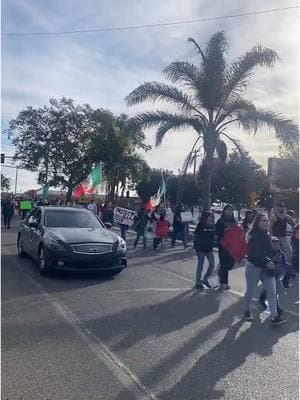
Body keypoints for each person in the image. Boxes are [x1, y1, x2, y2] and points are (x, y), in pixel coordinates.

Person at [243, 213, 287, 325]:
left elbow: (270, 253)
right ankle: (247, 311)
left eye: (267, 221)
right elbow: (253, 253)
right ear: (257, 223)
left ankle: (274, 316)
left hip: (267, 269)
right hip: (254, 266)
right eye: (263, 221)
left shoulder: (268, 236)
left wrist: (277, 250)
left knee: (272, 292)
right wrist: (267, 261)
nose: (267, 223)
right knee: (251, 291)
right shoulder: (253, 235)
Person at [258, 236, 289, 313]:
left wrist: (288, 269)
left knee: (271, 290)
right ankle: (276, 309)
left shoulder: (281, 253)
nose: (277, 246)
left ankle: (261, 299)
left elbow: (284, 263)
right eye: (274, 244)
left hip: (276, 274)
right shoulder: (266, 254)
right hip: (267, 274)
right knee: (273, 292)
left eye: (277, 244)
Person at [193, 210, 215, 290]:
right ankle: (198, 282)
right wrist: (194, 246)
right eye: (209, 216)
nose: (210, 218)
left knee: (212, 264)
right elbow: (196, 235)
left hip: (209, 247)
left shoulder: (213, 225)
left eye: (211, 216)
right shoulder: (201, 225)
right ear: (205, 217)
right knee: (200, 264)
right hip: (200, 247)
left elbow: (214, 236)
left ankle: (205, 279)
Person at [215, 204, 236, 289]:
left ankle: (220, 272)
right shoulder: (220, 221)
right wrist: (224, 231)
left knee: (231, 262)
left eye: (231, 210)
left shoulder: (234, 221)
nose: (229, 212)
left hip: (232, 245)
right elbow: (217, 232)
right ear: (224, 211)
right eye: (228, 210)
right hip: (223, 245)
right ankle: (224, 282)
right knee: (224, 263)